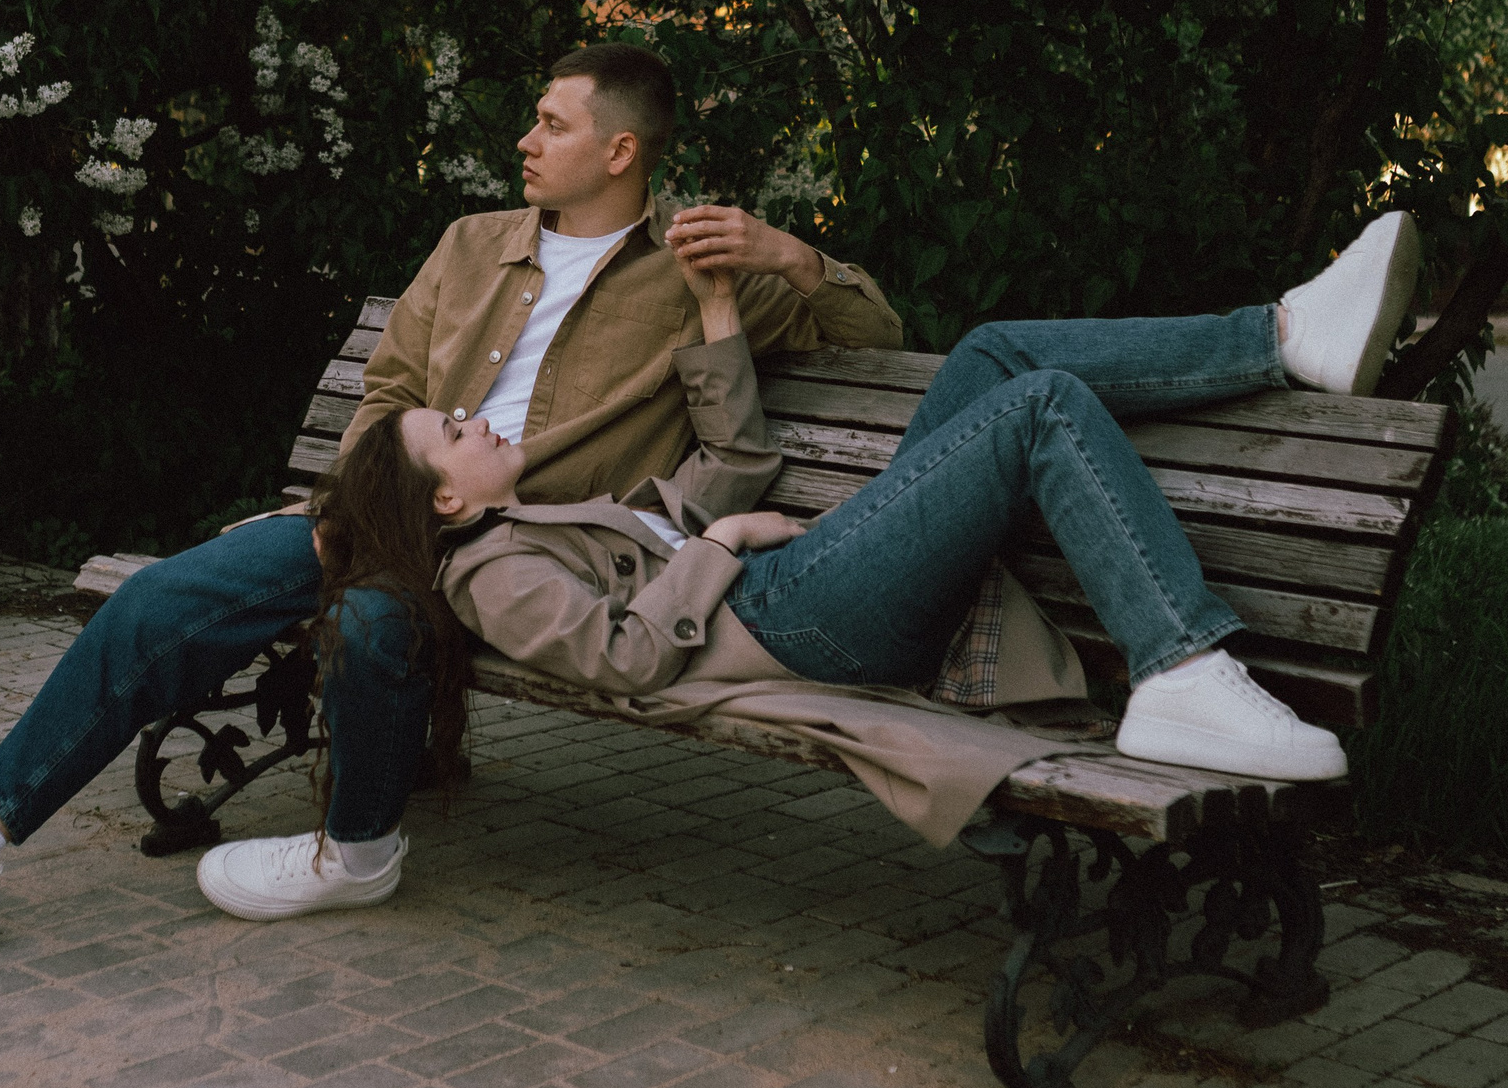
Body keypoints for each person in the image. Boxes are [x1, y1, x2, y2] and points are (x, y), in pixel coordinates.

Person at [0, 41, 902, 947]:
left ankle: (358, 852)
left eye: (550, 124)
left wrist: (786, 256)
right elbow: (393, 390)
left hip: (524, 553)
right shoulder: (471, 244)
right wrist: (345, 506)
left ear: (620, 150)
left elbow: (878, 334)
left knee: (372, 622)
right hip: (393, 514)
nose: (524, 140)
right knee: (169, 594)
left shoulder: (697, 269)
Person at [286, 208, 1422, 835]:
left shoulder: (540, 513)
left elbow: (733, 465)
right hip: (787, 622)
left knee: (992, 351)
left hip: (800, 585)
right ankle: (1179, 666)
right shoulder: (488, 571)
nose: (478, 419)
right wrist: (715, 550)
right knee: (1037, 406)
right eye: (454, 431)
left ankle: (1281, 339)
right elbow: (623, 660)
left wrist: (719, 312)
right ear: (447, 500)